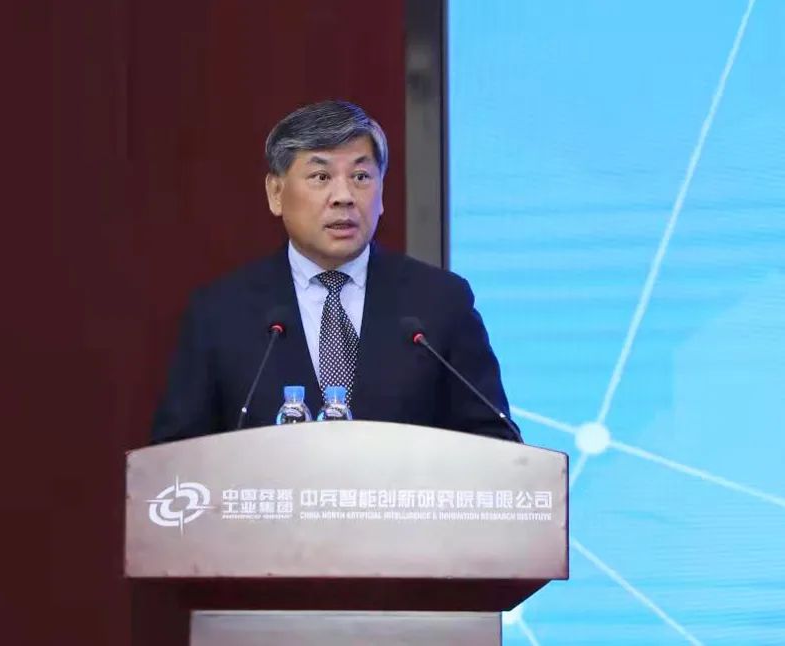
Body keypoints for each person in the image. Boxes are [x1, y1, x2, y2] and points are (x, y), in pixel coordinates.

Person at [151, 100, 520, 443]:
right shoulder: (220, 313)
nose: (344, 196)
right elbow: (177, 458)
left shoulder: (440, 302)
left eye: (360, 176)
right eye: (320, 177)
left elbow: (494, 443)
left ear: (382, 191)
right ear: (276, 193)